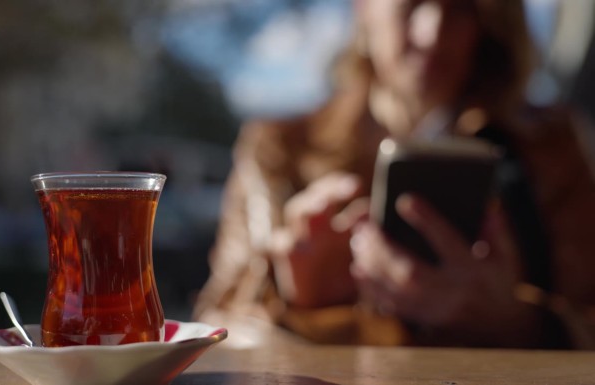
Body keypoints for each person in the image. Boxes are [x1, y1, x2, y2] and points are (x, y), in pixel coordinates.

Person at [193, 0, 595, 349]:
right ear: (364, 9)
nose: (432, 32)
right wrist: (297, 304)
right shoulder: (281, 150)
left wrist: (520, 323)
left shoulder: (549, 150)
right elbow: (213, 330)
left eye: (460, 7)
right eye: (411, 3)